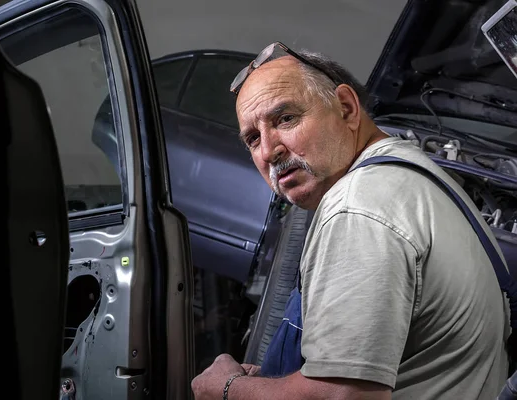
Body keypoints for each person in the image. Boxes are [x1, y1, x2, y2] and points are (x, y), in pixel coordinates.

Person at [190, 42, 511, 399]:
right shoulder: (421, 178)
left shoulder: (359, 207)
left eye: (285, 118)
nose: (268, 151)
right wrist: (263, 387)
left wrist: (227, 389)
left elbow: (342, 397)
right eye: (252, 138)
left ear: (346, 108)